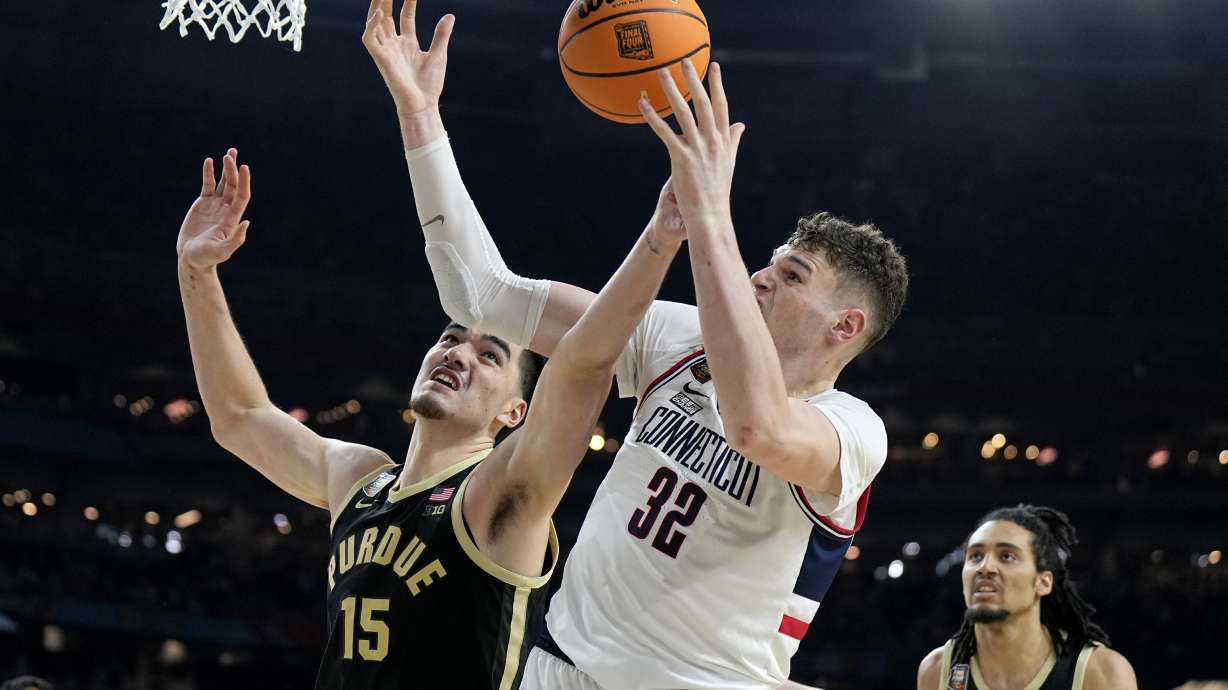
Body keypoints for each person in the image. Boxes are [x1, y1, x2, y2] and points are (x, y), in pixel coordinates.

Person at [364, 1, 908, 686]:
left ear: (845, 328)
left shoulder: (854, 432)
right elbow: (480, 295)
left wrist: (711, 214)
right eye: (769, 260)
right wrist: (420, 118)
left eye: (792, 275)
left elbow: (755, 423)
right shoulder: (676, 337)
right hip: (561, 668)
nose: (763, 277)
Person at [175, 138, 687, 687]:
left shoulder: (498, 493)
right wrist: (197, 273)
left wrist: (658, 240)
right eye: (450, 337)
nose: (458, 354)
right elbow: (239, 416)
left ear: (515, 413)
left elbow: (585, 363)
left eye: (490, 356)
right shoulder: (360, 479)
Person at [916, 505, 1138, 690]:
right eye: (975, 556)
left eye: (1006, 556)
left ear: (1043, 582)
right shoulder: (937, 671)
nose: (985, 567)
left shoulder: (1101, 673)